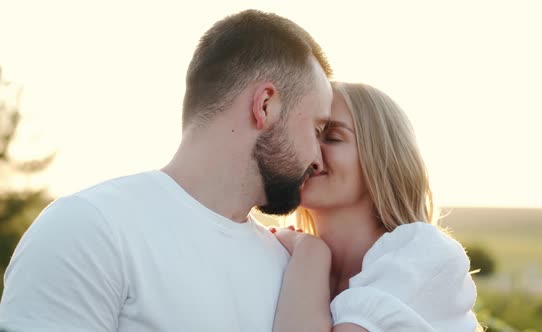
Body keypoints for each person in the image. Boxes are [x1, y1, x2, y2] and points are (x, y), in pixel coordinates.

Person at [0, 9, 333, 332]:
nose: (319, 159)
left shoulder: (287, 271)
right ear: (265, 105)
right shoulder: (89, 228)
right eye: (317, 130)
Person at [271, 82, 480, 332]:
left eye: (333, 137)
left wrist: (311, 253)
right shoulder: (282, 258)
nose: (310, 152)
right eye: (307, 134)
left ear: (382, 156)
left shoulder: (423, 254)